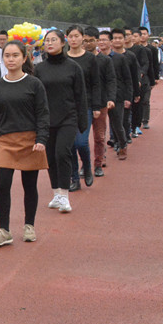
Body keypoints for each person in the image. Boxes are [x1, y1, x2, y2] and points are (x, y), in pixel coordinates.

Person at [0, 41, 49, 247]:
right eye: (7, 56)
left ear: (24, 58)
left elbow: (42, 114)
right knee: (3, 185)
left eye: (15, 55)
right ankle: (4, 230)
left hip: (30, 141)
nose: (10, 59)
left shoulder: (34, 84)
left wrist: (41, 139)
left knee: (29, 185)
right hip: (4, 141)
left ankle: (29, 225)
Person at [34, 29, 87, 214]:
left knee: (62, 153)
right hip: (47, 120)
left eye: (54, 40)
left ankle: (65, 195)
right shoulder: (39, 68)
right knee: (49, 157)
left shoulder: (73, 67)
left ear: (63, 43)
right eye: (47, 40)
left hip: (68, 118)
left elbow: (80, 95)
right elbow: (36, 97)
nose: (49, 43)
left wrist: (82, 121)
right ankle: (56, 193)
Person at [65, 25, 101, 191]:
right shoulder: (63, 58)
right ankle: (74, 178)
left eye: (76, 36)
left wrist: (96, 106)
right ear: (66, 38)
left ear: (82, 38)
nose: (73, 39)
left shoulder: (90, 59)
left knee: (81, 142)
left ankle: (86, 166)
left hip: (85, 106)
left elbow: (95, 84)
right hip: (66, 107)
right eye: (70, 36)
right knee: (70, 144)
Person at [85, 27, 116, 178]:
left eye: (91, 40)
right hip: (83, 103)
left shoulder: (104, 60)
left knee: (99, 136)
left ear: (97, 41)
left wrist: (111, 98)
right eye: (85, 40)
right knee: (81, 139)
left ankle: (98, 164)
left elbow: (111, 80)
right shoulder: (78, 60)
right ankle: (84, 165)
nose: (88, 43)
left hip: (101, 103)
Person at [101, 29, 131, 161]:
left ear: (110, 42)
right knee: (100, 127)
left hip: (117, 95)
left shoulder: (120, 58)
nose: (102, 42)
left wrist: (128, 97)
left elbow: (128, 79)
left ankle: (123, 144)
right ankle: (101, 153)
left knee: (117, 123)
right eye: (100, 40)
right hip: (100, 96)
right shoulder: (95, 59)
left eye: (105, 40)